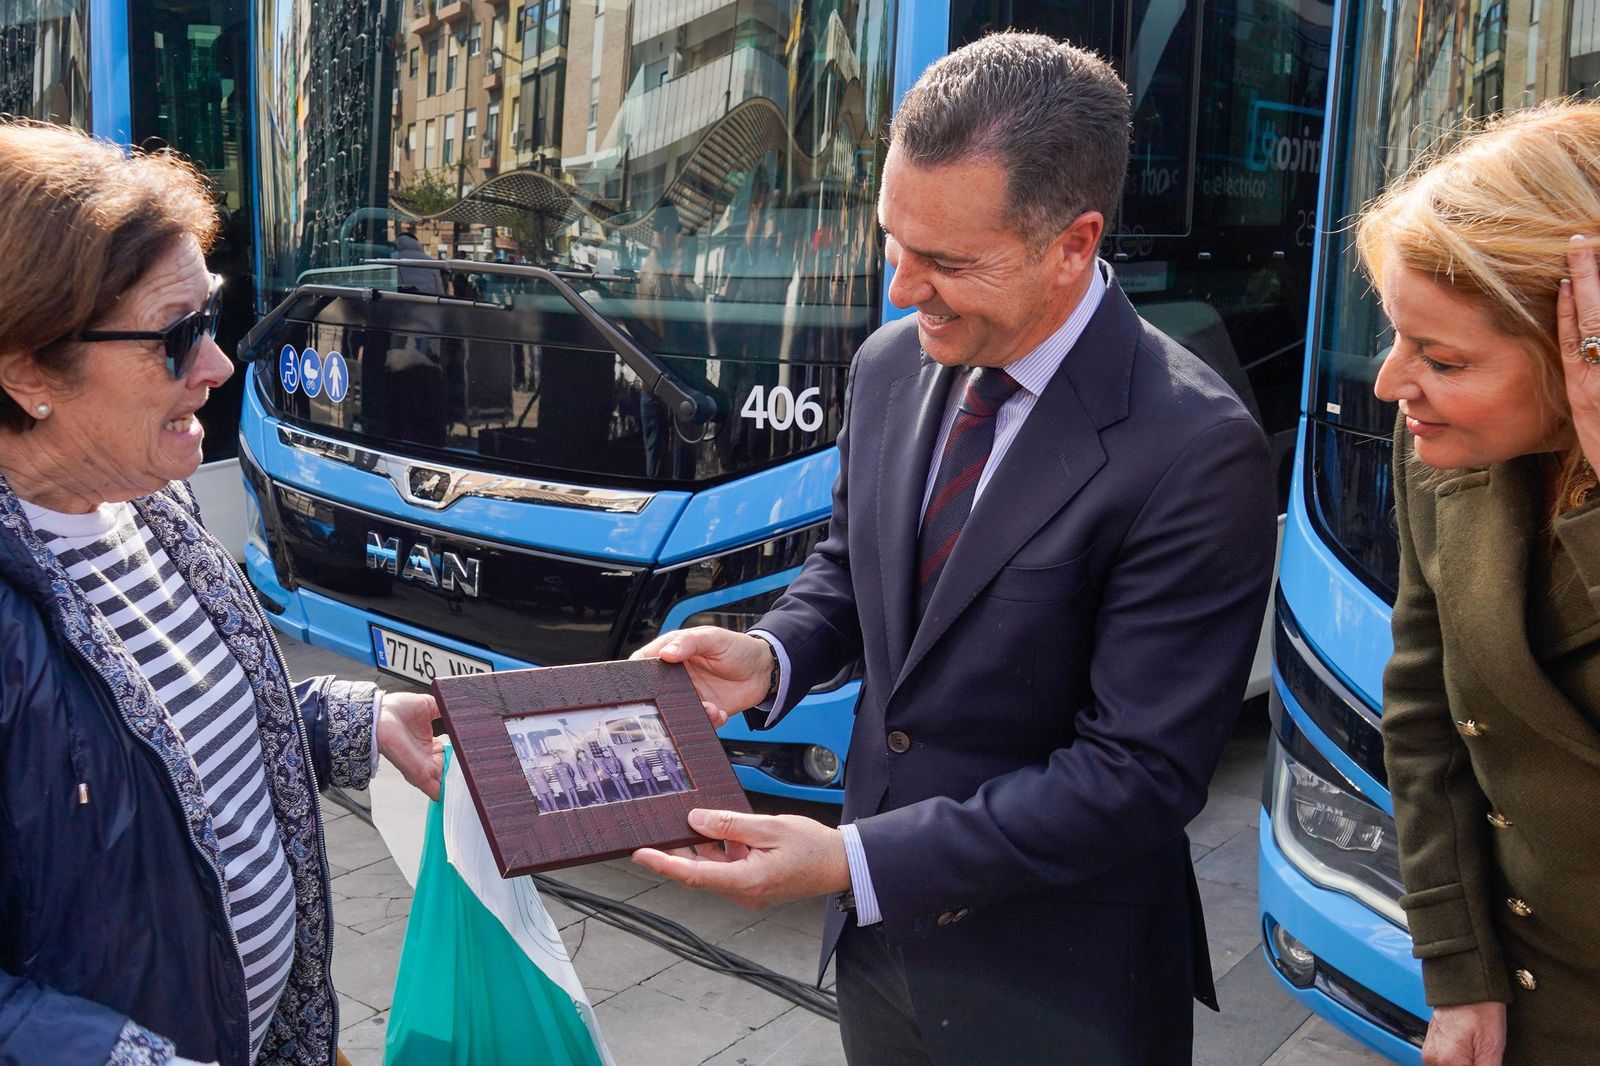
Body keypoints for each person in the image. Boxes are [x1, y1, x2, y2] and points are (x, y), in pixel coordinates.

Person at [631, 33, 1277, 1064]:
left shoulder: (1195, 451)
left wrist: (852, 860)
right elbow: (855, 568)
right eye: (893, 241)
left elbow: (1134, 774)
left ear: (1073, 244)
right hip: (881, 963)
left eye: (945, 262)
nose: (899, 289)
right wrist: (772, 654)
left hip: (1059, 987)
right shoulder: (893, 362)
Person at [0, 122, 444, 1066]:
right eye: (176, 337)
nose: (218, 365)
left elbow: (162, 748)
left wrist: (346, 724)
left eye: (212, 317)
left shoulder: (149, 503)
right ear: (28, 371)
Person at [1357, 101, 1600, 1066]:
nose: (1389, 384)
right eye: (1398, 337)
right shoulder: (1442, 454)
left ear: (1576, 349)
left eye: (1442, 359)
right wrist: (1459, 972)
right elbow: (1424, 716)